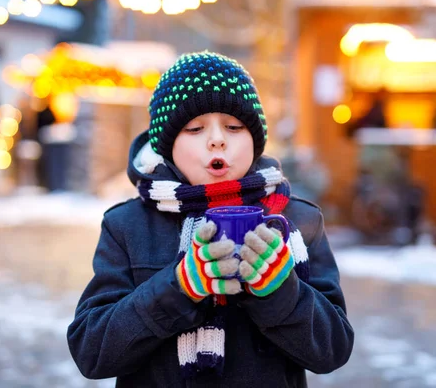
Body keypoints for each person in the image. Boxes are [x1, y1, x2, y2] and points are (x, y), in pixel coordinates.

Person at [67, 51, 354, 386]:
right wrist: (179, 286)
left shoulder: (298, 221)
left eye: (234, 126)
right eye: (195, 127)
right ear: (168, 145)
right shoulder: (127, 226)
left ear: (255, 141)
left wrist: (279, 289)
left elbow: (332, 350)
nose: (217, 138)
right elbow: (92, 351)